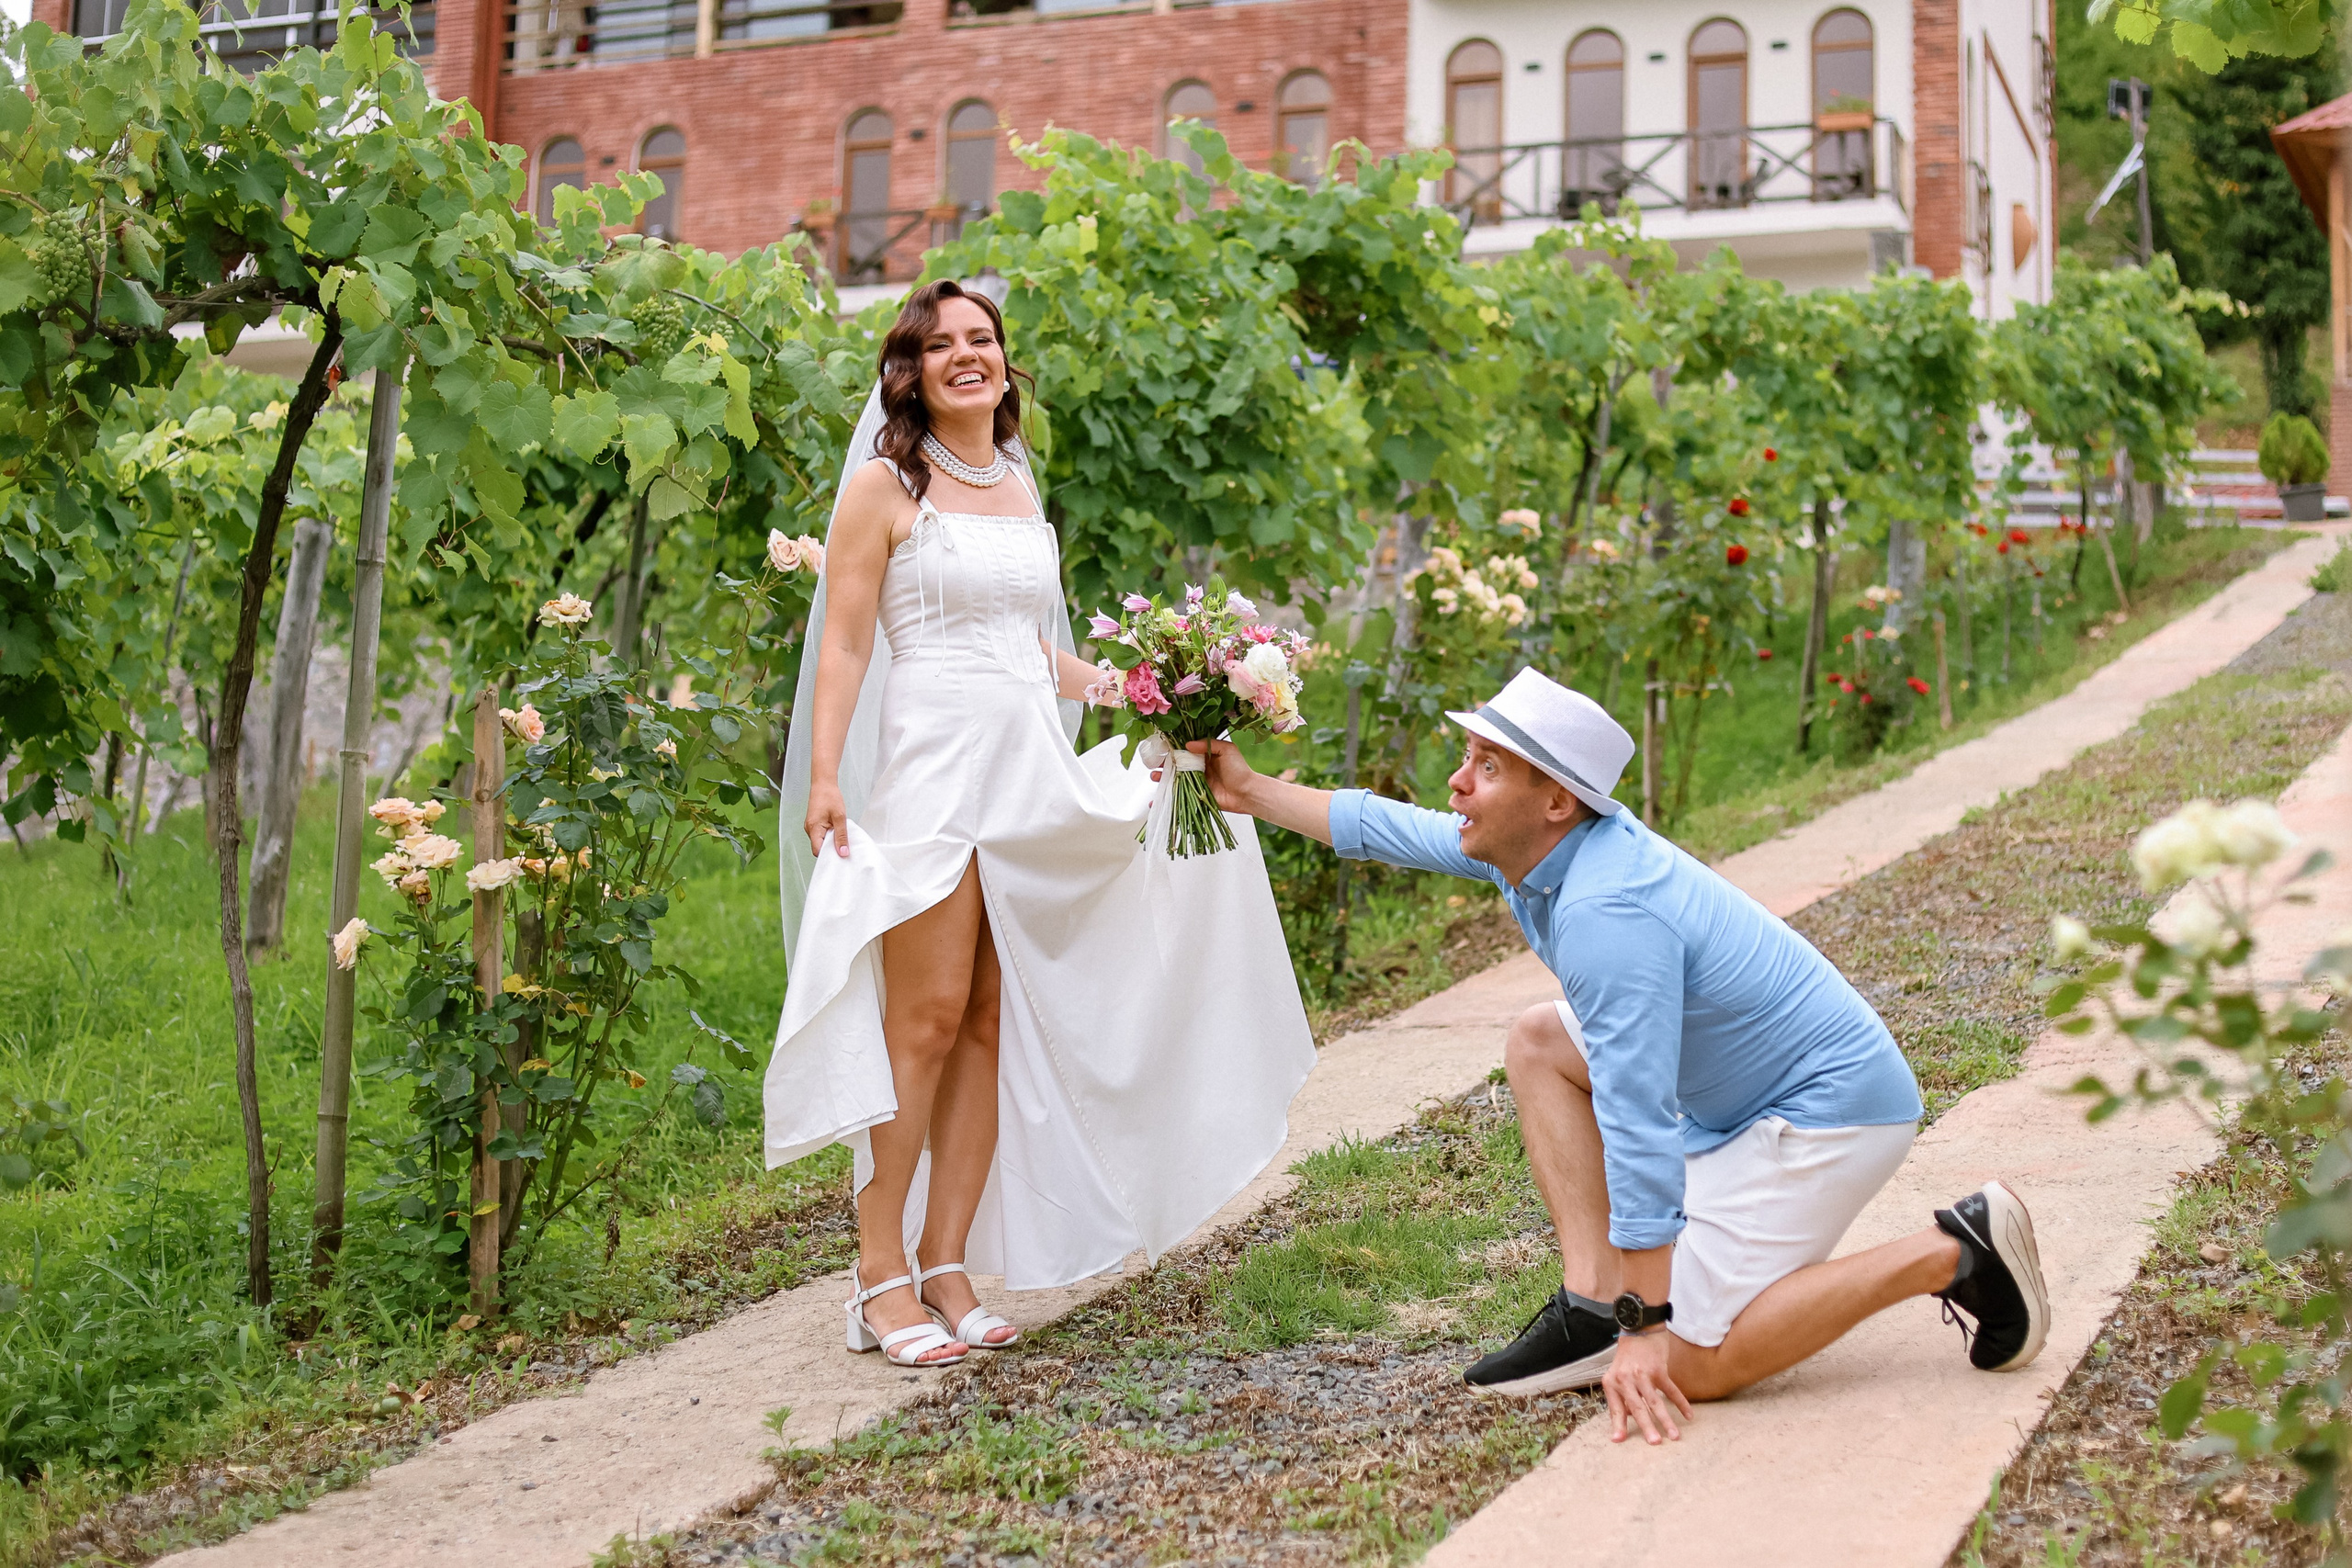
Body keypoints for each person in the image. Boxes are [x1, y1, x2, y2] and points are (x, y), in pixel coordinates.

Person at [1195, 666, 2052, 1442]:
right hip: (1739, 1104)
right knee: (1538, 1036)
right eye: (1468, 758)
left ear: (1556, 800)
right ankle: (1592, 1302)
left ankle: (1957, 1249)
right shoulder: (1543, 849)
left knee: (1693, 1365)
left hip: (1825, 1115)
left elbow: (1637, 1117)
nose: (1458, 783)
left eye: (1485, 767)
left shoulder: (1610, 910)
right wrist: (1250, 789)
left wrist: (1650, 1328)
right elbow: (1396, 827)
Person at [767, 280, 1316, 1370]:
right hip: (931, 773)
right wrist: (828, 773)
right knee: (920, 1023)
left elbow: (1037, 651)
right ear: (910, 370)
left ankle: (949, 1261)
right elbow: (844, 645)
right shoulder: (884, 487)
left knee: (988, 1023)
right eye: (941, 346)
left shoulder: (1015, 484)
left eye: (983, 341)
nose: (966, 357)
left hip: (1026, 771)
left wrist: (1151, 687)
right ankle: (878, 1279)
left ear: (1006, 363)